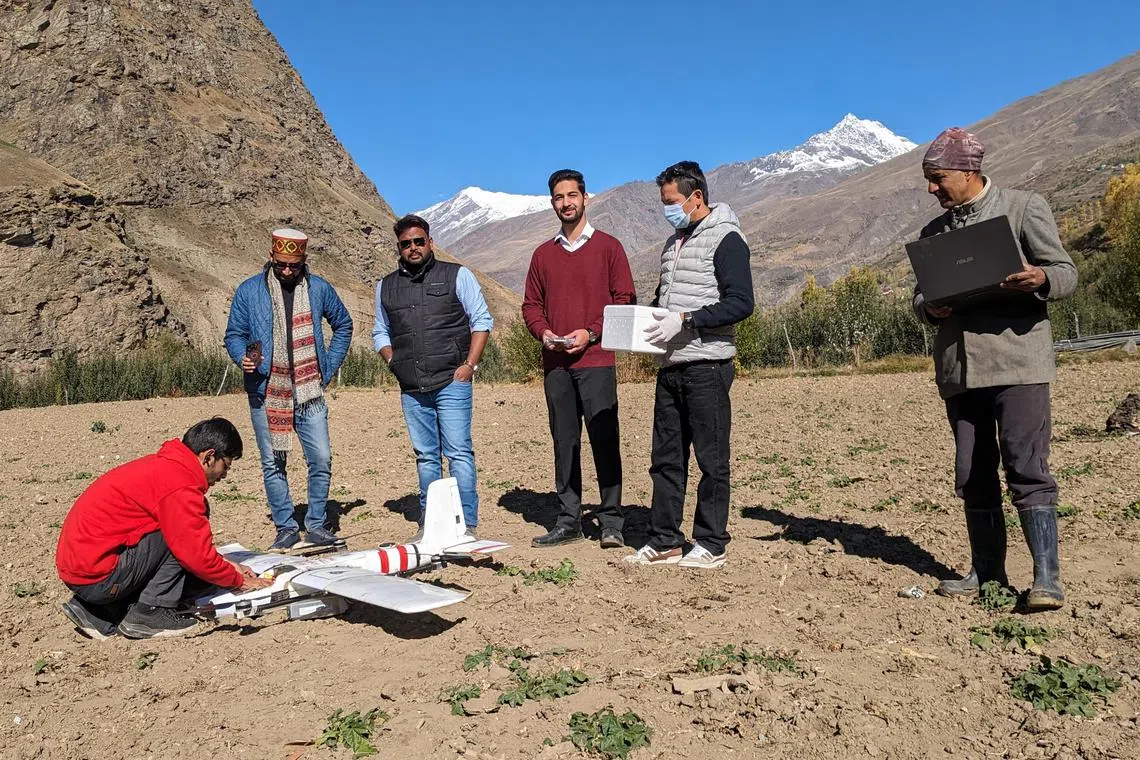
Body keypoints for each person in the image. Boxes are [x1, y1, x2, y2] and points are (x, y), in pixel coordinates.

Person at [913, 128, 1076, 610]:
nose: (932, 189)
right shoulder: (933, 234)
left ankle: (1046, 579)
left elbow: (1065, 272)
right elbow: (919, 297)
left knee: (1026, 464)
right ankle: (987, 572)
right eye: (928, 179)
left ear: (968, 172)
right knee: (973, 471)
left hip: (1017, 360)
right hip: (960, 369)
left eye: (938, 178)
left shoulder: (1024, 208)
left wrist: (1040, 277)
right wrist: (929, 308)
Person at [625, 161, 754, 569]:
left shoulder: (727, 239)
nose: (667, 209)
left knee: (711, 459)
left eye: (672, 201)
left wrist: (686, 319)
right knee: (666, 458)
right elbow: (664, 299)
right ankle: (665, 539)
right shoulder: (672, 244)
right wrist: (642, 322)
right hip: (671, 365)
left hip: (707, 364)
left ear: (696, 197)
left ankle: (711, 542)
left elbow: (741, 303)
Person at [55, 418, 273, 640]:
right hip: (99, 577)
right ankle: (150, 612)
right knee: (179, 542)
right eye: (225, 466)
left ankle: (98, 612)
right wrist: (240, 581)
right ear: (208, 457)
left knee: (178, 537)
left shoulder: (166, 467)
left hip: (83, 570)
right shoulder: (180, 485)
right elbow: (195, 554)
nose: (224, 475)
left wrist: (228, 564)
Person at [522, 169, 637, 549]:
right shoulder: (543, 255)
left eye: (572, 195)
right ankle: (569, 520)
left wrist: (591, 332)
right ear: (552, 203)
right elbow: (531, 305)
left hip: (597, 362)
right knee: (564, 443)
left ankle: (611, 522)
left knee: (605, 441)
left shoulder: (609, 248)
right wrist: (544, 333)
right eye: (559, 197)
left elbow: (625, 299)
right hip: (556, 366)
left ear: (586, 198)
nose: (566, 203)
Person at [224, 228, 353, 551]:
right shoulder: (249, 291)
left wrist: (328, 366)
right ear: (271, 256)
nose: (286, 270)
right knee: (273, 463)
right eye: (280, 264)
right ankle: (285, 527)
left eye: (293, 265)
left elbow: (343, 324)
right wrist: (242, 357)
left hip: (309, 392)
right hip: (266, 390)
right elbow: (234, 334)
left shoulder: (319, 288)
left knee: (320, 458)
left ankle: (316, 525)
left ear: (304, 260)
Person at [372, 214, 493, 539]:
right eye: (405, 244)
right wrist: (393, 361)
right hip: (412, 387)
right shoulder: (385, 286)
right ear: (399, 247)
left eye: (418, 241)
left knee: (458, 454)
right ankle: (431, 526)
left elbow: (481, 320)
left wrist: (469, 366)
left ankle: (466, 527)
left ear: (430, 242)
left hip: (452, 381)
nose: (413, 248)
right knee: (426, 457)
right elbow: (380, 332)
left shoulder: (457, 275)